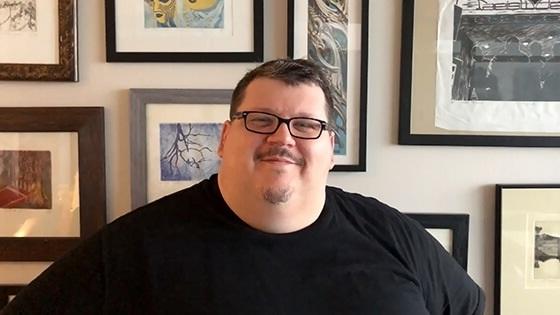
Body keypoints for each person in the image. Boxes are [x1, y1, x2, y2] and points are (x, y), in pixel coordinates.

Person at [2, 59, 485, 314]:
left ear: (330, 149)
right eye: (261, 120)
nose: (282, 137)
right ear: (226, 136)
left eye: (305, 125)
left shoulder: (391, 234)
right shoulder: (138, 246)